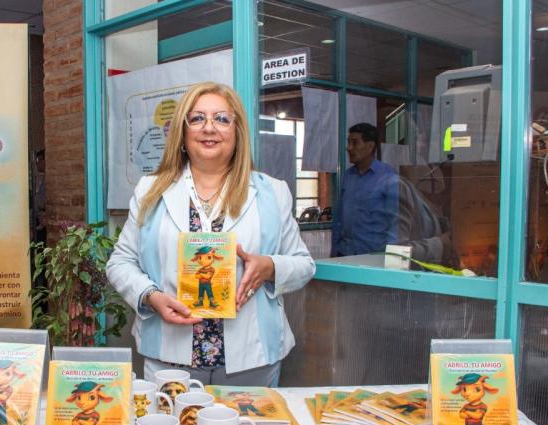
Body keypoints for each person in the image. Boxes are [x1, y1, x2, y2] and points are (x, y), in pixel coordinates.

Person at [106, 82, 315, 387]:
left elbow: (304, 264)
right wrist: (151, 296)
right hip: (169, 355)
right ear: (183, 131)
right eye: (197, 118)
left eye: (222, 118)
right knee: (170, 420)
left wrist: (269, 267)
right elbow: (120, 262)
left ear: (237, 131)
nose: (209, 128)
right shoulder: (150, 190)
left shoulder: (273, 191)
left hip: (252, 357)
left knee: (249, 421)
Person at [331, 122, 400, 257]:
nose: (349, 148)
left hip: (373, 257)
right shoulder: (348, 176)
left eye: (355, 143)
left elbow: (395, 223)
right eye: (348, 142)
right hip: (345, 254)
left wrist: (392, 258)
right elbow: (339, 219)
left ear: (370, 146)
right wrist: (334, 251)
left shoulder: (388, 177)